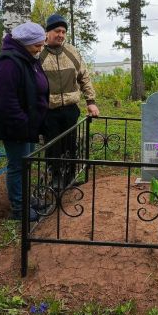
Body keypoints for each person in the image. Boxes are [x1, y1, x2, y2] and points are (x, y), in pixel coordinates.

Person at [0, 21, 49, 221]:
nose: (40, 48)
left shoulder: (28, 57)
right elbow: (6, 101)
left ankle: (26, 199)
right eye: (37, 45)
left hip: (27, 124)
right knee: (17, 165)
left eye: (42, 44)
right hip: (15, 126)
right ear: (25, 43)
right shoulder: (8, 63)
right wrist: (23, 125)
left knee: (25, 164)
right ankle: (19, 208)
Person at [40, 13, 99, 189]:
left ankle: (71, 175)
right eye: (57, 31)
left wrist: (91, 101)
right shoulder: (39, 54)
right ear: (48, 33)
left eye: (64, 32)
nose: (61, 35)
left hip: (70, 108)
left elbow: (84, 77)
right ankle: (56, 176)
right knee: (53, 144)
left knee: (70, 142)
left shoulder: (72, 51)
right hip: (49, 110)